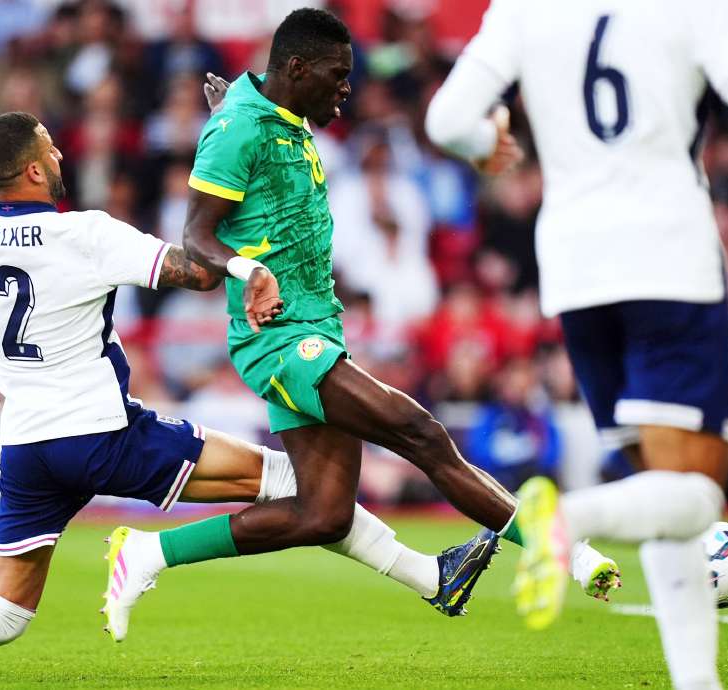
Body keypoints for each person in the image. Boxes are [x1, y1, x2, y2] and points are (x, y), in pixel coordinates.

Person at [0, 114, 500, 678]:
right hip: (105, 436)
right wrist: (243, 254)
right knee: (300, 485)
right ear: (31, 169)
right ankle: (430, 578)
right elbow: (190, 272)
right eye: (50, 146)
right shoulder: (84, 233)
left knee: (4, 616)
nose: (59, 153)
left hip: (26, 447)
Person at [425, 0, 728, 687]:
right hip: (669, 257)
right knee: (696, 495)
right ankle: (565, 515)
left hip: (574, 271)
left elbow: (445, 120)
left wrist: (487, 144)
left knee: (658, 489)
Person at [103, 8, 621, 643]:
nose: (346, 87)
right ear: (297, 68)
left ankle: (148, 554)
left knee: (323, 514)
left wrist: (234, 105)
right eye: (337, 75)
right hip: (282, 339)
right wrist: (247, 271)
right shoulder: (240, 127)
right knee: (421, 432)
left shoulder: (275, 114)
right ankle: (563, 550)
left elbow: (250, 120)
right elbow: (195, 235)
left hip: (315, 327)